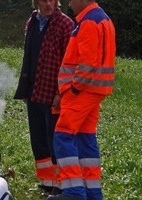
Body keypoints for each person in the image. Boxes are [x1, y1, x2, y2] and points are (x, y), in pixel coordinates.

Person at [47, 0, 116, 200]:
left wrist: (73, 88)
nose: (69, 2)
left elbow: (88, 61)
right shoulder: (102, 18)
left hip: (82, 91)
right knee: (85, 138)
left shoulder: (88, 21)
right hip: (95, 90)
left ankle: (74, 192)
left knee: (62, 136)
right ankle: (92, 192)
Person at [14, 0, 74, 196]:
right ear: (36, 2)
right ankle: (46, 182)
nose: (48, 4)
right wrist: (25, 89)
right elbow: (28, 56)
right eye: (44, 0)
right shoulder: (32, 21)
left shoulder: (65, 24)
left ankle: (60, 185)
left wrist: (60, 92)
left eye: (52, 0)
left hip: (54, 93)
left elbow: (70, 61)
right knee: (38, 139)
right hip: (34, 90)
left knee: (54, 139)